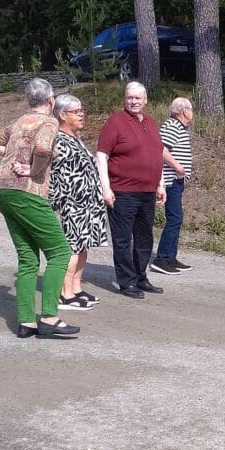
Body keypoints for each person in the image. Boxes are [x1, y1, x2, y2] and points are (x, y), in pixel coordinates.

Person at [0, 78, 77, 338]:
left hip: (3, 190)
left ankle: (27, 322)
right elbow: (43, 149)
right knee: (60, 252)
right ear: (51, 101)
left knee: (28, 259)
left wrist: (15, 156)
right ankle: (49, 317)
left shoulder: (19, 122)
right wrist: (33, 169)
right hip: (27, 193)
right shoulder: (49, 122)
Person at [96, 82, 167, 299]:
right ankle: (126, 282)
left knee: (145, 238)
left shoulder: (151, 123)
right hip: (122, 192)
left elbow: (157, 154)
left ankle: (140, 277)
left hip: (147, 192)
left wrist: (161, 184)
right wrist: (106, 188)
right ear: (125, 99)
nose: (134, 102)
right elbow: (101, 156)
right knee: (123, 240)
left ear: (145, 100)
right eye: (130, 98)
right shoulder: (115, 122)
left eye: (137, 98)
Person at [45, 94, 109, 310]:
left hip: (86, 206)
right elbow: (52, 174)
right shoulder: (58, 140)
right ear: (62, 115)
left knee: (82, 247)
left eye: (82, 110)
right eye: (76, 111)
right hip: (70, 206)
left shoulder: (75, 138)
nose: (82, 115)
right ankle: (65, 294)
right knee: (72, 248)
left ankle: (76, 288)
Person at [150, 97, 194, 275]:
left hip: (176, 181)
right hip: (170, 180)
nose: (192, 113)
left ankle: (170, 257)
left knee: (176, 218)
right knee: (175, 218)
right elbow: (160, 149)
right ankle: (162, 259)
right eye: (191, 109)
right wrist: (178, 166)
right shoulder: (172, 126)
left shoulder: (178, 127)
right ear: (183, 111)